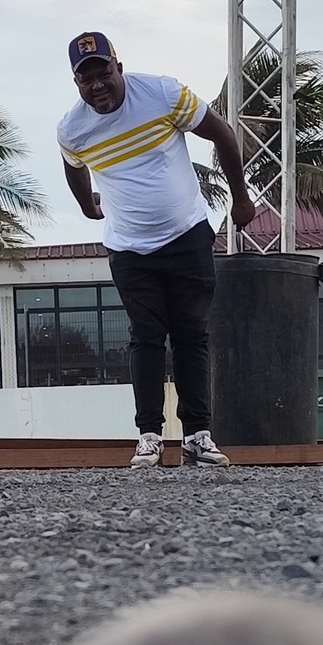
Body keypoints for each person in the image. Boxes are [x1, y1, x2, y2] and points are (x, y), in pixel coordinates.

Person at [57, 32, 257, 468]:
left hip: (186, 235)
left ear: (119, 67)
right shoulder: (72, 128)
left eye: (104, 73)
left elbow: (222, 135)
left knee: (191, 335)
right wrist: (87, 205)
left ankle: (197, 435)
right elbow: (73, 168)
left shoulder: (163, 94)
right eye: (86, 79)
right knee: (145, 337)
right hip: (130, 249)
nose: (97, 85)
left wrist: (240, 197)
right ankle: (149, 435)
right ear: (76, 83)